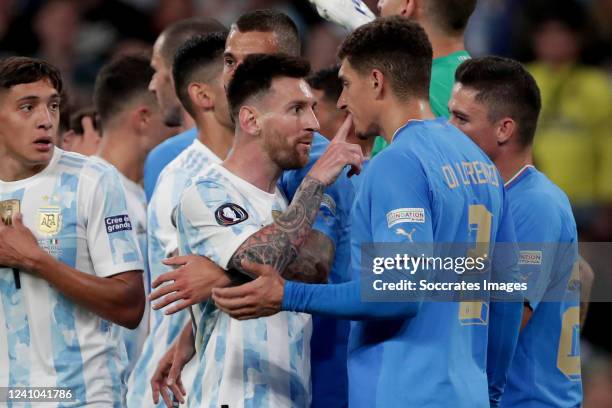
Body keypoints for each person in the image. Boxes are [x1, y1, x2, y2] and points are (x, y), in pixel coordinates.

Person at [211, 17, 521, 408]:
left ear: (376, 82)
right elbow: (511, 289)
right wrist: (490, 390)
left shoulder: (398, 163)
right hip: (466, 392)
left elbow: (398, 293)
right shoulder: (480, 162)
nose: (340, 102)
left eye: (345, 83)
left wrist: (288, 294)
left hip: (401, 392)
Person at [150, 9, 356, 408]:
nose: (232, 75)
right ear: (251, 118)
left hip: (319, 375)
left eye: (252, 63)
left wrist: (221, 277)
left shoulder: (310, 165)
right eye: (229, 61)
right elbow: (268, 255)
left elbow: (314, 266)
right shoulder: (204, 184)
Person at [0, 57, 144, 406]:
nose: (45, 120)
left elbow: (130, 305)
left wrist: (37, 261)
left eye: (52, 105)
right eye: (27, 107)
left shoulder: (92, 179)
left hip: (84, 396)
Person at [449, 56, 583, 407]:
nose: (447, 128)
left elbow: (501, 324)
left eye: (461, 119)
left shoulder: (534, 203)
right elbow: (586, 273)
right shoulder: (500, 197)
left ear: (504, 129)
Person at [126, 31, 233, 408]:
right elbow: (200, 279)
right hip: (181, 388)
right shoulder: (181, 175)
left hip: (223, 379)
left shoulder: (260, 169)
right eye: (234, 70)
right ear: (204, 93)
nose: (154, 83)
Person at [93, 55, 176, 376]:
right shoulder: (84, 195)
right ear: (143, 118)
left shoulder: (149, 194)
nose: (178, 127)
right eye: (169, 118)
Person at [370, 0, 477, 156]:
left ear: (407, 5)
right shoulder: (481, 81)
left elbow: (391, 177)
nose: (379, 4)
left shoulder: (415, 90)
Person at [143, 17, 226, 200]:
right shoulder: (259, 143)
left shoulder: (167, 156)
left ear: (178, 73)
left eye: (156, 70)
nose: (152, 85)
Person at [308, 65, 374, 190]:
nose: (306, 121)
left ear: (348, 113)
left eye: (313, 110)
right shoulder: (291, 169)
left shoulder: (384, 175)